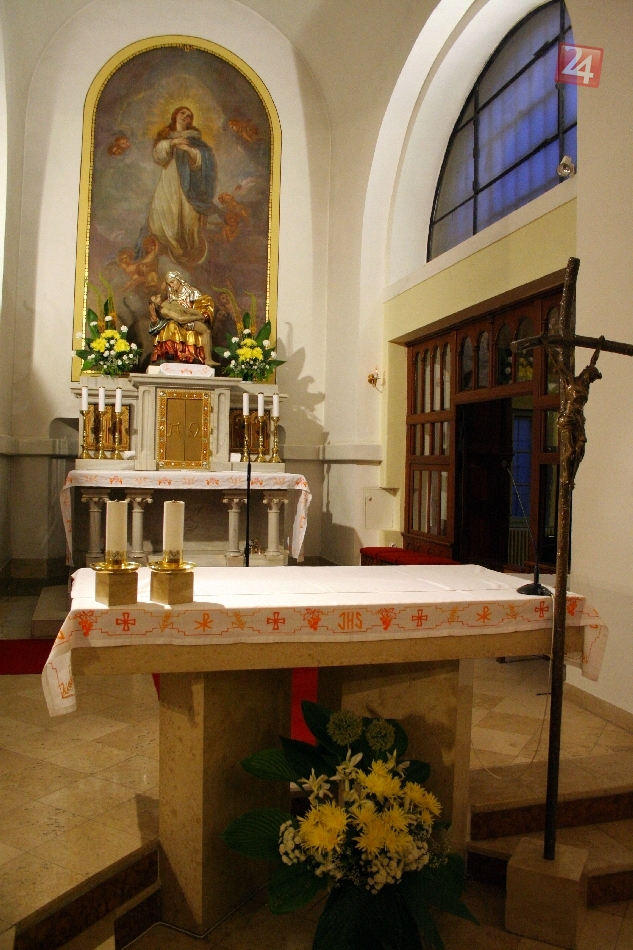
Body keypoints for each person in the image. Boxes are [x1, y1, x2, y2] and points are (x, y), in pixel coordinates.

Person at [148, 106, 217, 266]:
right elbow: (158, 157)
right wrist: (172, 143)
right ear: (175, 116)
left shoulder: (194, 139)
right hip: (170, 181)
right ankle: (171, 250)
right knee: (167, 215)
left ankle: (190, 254)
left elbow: (205, 161)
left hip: (189, 184)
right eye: (182, 113)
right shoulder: (167, 136)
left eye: (189, 115)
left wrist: (189, 150)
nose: (186, 116)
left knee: (189, 219)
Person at [148, 272, 215, 366]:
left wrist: (200, 315)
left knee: (205, 331)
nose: (171, 286)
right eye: (169, 284)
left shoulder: (193, 292)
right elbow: (179, 318)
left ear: (179, 279)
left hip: (189, 317)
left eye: (172, 282)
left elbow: (190, 309)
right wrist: (196, 317)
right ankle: (173, 353)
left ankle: (207, 359)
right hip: (184, 321)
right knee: (171, 325)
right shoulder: (167, 302)